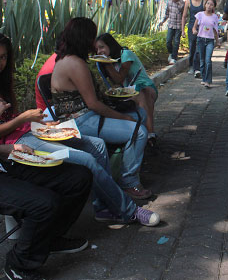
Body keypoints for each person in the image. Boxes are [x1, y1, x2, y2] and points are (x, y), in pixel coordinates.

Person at [0, 31, 159, 227]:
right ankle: (129, 210)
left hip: (31, 131)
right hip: (14, 144)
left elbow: (8, 118)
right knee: (87, 160)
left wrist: (38, 123)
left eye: (3, 57)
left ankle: (103, 207)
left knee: (98, 146)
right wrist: (24, 118)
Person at [0, 32, 92, 280]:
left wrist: (4, 149)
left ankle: (47, 239)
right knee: (44, 203)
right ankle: (19, 265)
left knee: (78, 177)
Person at [50, 17, 152, 200]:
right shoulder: (75, 64)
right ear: (85, 38)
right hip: (79, 121)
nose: (94, 42)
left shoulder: (69, 59)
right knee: (139, 130)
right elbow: (93, 104)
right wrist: (124, 118)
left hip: (83, 117)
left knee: (141, 114)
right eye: (92, 37)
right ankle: (129, 182)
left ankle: (128, 166)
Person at [95, 33, 159, 143]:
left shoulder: (125, 54)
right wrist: (107, 64)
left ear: (110, 45)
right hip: (127, 91)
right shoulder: (107, 62)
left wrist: (107, 63)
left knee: (143, 94)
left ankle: (150, 135)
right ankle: (140, 134)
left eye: (102, 47)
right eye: (96, 49)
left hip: (145, 86)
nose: (99, 52)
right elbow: (116, 84)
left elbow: (120, 78)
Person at [192, 0, 220, 88]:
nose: (209, 6)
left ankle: (208, 81)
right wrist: (194, 31)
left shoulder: (215, 17)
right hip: (200, 39)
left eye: (211, 4)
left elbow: (215, 30)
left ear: (214, 7)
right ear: (205, 5)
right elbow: (194, 27)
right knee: (202, 61)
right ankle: (204, 79)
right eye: (207, 4)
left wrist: (218, 41)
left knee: (208, 60)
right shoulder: (200, 15)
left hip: (210, 41)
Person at [181, 0, 204, 77]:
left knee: (199, 49)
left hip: (201, 28)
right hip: (191, 27)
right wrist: (182, 30)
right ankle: (191, 66)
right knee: (192, 48)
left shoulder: (204, 2)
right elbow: (184, 16)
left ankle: (197, 68)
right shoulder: (188, 2)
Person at [160, 0, 185, 65]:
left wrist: (183, 28)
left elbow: (184, 15)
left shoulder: (182, 3)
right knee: (168, 41)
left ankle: (174, 57)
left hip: (178, 26)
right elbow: (167, 13)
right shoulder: (169, 3)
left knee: (176, 42)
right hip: (171, 24)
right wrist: (163, 21)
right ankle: (170, 53)